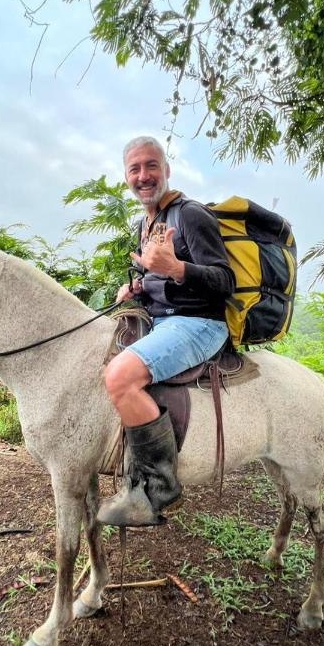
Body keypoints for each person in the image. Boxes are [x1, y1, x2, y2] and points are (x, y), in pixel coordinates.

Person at [97, 136, 235, 527]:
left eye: (151, 165)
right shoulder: (146, 221)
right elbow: (155, 274)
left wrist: (176, 269)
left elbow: (225, 280)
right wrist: (139, 285)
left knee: (120, 377)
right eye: (135, 169)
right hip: (162, 319)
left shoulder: (190, 214)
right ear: (126, 176)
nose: (144, 175)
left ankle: (160, 487)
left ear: (166, 170)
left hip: (199, 324)